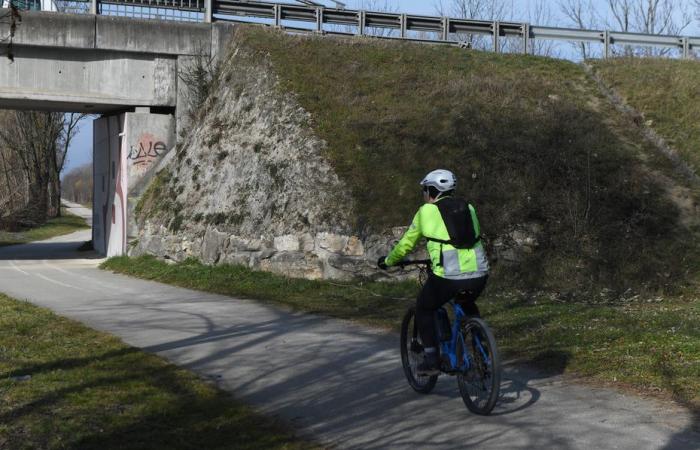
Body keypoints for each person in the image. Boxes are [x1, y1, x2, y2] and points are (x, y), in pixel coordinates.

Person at [378, 169, 489, 375]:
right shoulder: (469, 208)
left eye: (425, 190)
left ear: (431, 190)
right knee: (467, 304)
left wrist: (388, 261)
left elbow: (406, 244)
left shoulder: (426, 211)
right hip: (479, 274)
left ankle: (431, 359)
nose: (424, 194)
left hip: (448, 277)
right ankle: (484, 353)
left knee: (424, 308)